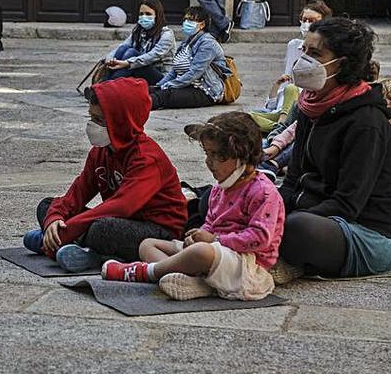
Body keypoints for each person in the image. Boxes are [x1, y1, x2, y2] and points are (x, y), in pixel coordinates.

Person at [102, 112, 284, 302]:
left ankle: (145, 272)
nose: (208, 162)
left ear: (241, 156)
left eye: (215, 155)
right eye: (207, 154)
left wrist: (214, 240)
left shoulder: (263, 192)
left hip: (246, 267)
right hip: (213, 252)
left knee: (200, 253)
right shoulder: (219, 189)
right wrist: (198, 235)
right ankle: (194, 281)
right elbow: (211, 222)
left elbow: (260, 238)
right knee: (148, 244)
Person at [275, 17, 391, 281]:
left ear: (341, 64)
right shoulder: (311, 107)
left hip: (365, 231)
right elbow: (291, 183)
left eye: (315, 54)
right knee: (221, 201)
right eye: (304, 52)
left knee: (296, 228)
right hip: (317, 213)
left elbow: (347, 204)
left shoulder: (367, 122)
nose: (304, 61)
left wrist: (274, 221)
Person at [21, 78, 188, 272]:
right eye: (91, 117)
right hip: (118, 218)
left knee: (102, 228)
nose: (92, 125)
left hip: (157, 232)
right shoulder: (100, 151)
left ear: (121, 122)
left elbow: (122, 207)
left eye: (99, 120)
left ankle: (67, 245)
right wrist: (55, 217)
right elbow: (77, 192)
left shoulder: (146, 158)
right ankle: (68, 244)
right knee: (47, 206)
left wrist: (70, 228)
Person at [249, 0, 332, 133]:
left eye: (312, 21)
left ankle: (281, 128)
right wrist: (276, 88)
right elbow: (285, 83)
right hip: (282, 109)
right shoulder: (293, 46)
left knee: (292, 89)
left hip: (304, 106)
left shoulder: (327, 51)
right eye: (304, 20)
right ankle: (281, 128)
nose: (306, 24)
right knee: (247, 118)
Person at [152, 6, 229, 109]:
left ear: (202, 24)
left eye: (191, 20)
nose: (186, 22)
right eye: (186, 19)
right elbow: (174, 71)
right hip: (185, 85)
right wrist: (159, 85)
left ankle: (137, 107)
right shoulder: (188, 41)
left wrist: (169, 85)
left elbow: (195, 72)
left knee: (164, 96)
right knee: (151, 90)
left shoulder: (208, 43)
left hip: (204, 91)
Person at [104, 0, 177, 84]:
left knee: (132, 53)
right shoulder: (139, 31)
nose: (144, 17)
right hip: (139, 67)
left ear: (158, 15)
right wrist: (109, 58)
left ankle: (107, 84)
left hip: (162, 76)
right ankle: (107, 85)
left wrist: (127, 63)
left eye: (148, 14)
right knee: (124, 48)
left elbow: (152, 56)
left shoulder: (166, 35)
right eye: (141, 14)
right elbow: (123, 45)